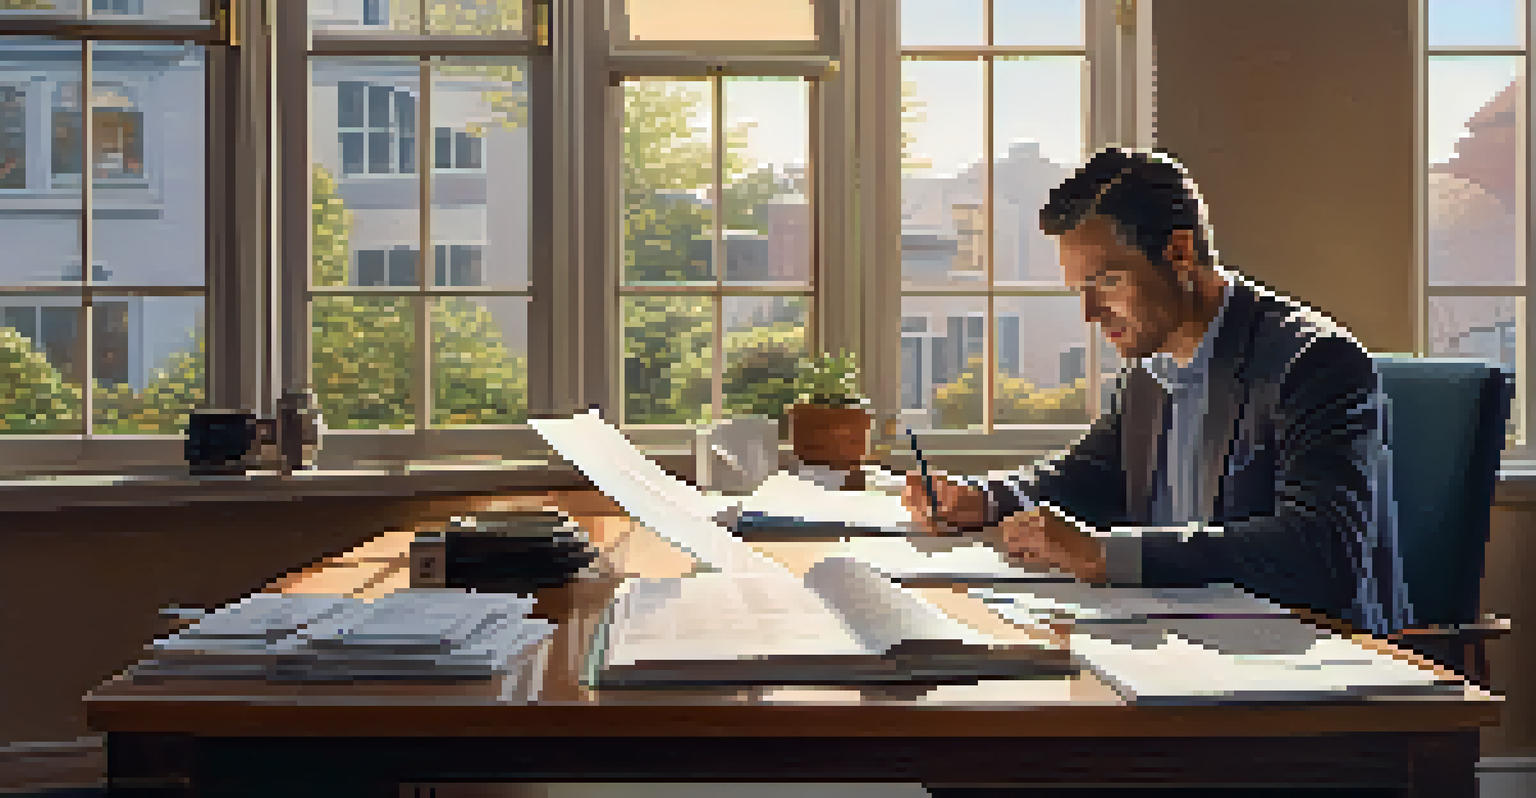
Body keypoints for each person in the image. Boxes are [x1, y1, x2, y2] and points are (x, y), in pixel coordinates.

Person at [902, 147, 1414, 636]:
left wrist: (1109, 556)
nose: (1090, 313)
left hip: (1312, 663)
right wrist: (984, 499)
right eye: (1080, 290)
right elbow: (1086, 476)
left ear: (1179, 253)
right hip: (1182, 644)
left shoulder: (1313, 362)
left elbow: (1323, 553)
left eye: (1107, 282)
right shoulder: (1150, 369)